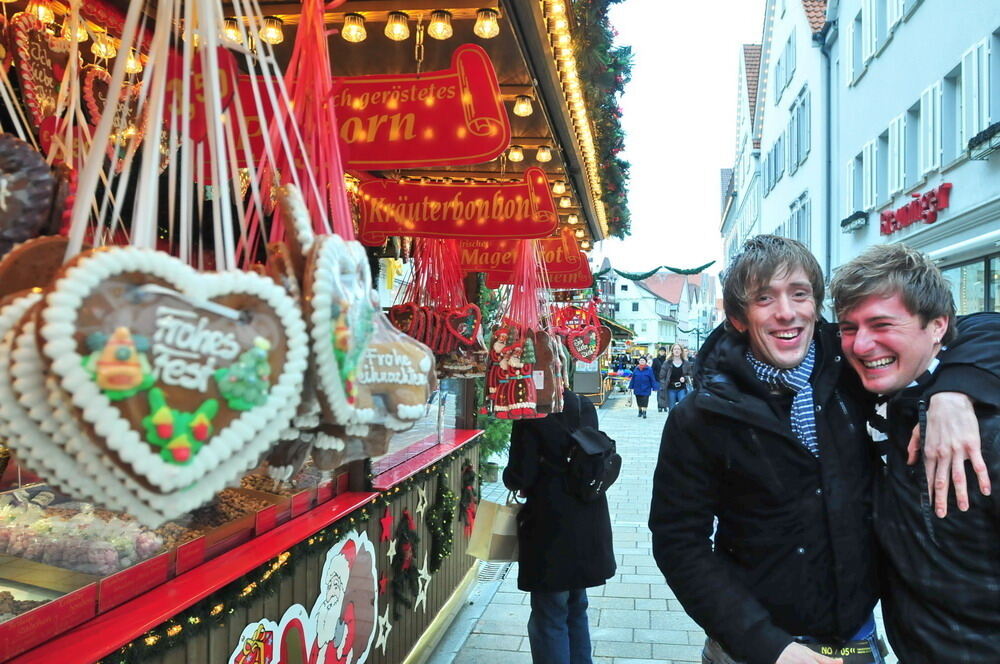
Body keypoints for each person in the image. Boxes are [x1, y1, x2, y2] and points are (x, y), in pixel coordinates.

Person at [648, 235, 996, 664]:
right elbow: (679, 543)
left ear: (816, 305)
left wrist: (955, 390)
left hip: (859, 641)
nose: (786, 312)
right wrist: (768, 646)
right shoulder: (701, 417)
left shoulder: (852, 367)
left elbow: (979, 328)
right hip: (754, 650)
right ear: (738, 318)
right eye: (764, 298)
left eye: (799, 294)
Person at [830, 244, 1000, 664]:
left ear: (938, 326)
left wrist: (956, 390)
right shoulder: (882, 398)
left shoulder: (985, 432)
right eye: (849, 327)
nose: (862, 344)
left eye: (881, 324)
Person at [503, 388, 616, 664]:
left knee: (549, 614)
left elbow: (521, 475)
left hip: (550, 524)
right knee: (577, 607)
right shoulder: (582, 404)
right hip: (588, 519)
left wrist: (511, 477)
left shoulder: (531, 414)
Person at [657, 343, 692, 413]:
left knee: (682, 407)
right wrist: (663, 386)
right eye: (675, 349)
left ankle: (681, 423)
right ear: (672, 351)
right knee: (672, 408)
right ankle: (672, 423)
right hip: (671, 388)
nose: (677, 351)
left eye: (678, 349)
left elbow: (690, 375)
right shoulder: (667, 363)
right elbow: (662, 376)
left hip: (682, 388)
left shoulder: (686, 363)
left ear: (681, 351)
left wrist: (685, 378)